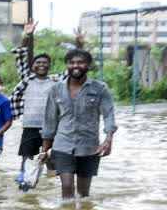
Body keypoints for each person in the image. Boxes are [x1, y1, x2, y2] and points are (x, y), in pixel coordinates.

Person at [9, 19, 83, 175]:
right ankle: (25, 184)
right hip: (30, 126)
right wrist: (26, 36)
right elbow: (20, 57)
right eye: (38, 62)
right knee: (26, 160)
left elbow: (75, 68)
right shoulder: (27, 79)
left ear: (49, 66)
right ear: (33, 66)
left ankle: (51, 186)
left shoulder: (56, 80)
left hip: (52, 127)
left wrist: (79, 46)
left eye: (45, 62)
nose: (41, 64)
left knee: (53, 160)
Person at [42, 49, 117, 200]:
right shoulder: (56, 90)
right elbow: (50, 120)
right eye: (72, 62)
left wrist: (108, 139)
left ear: (88, 65)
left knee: (83, 193)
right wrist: (44, 150)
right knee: (67, 186)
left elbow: (109, 114)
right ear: (67, 65)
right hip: (62, 145)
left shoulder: (99, 88)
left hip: (89, 148)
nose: (76, 65)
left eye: (81, 62)